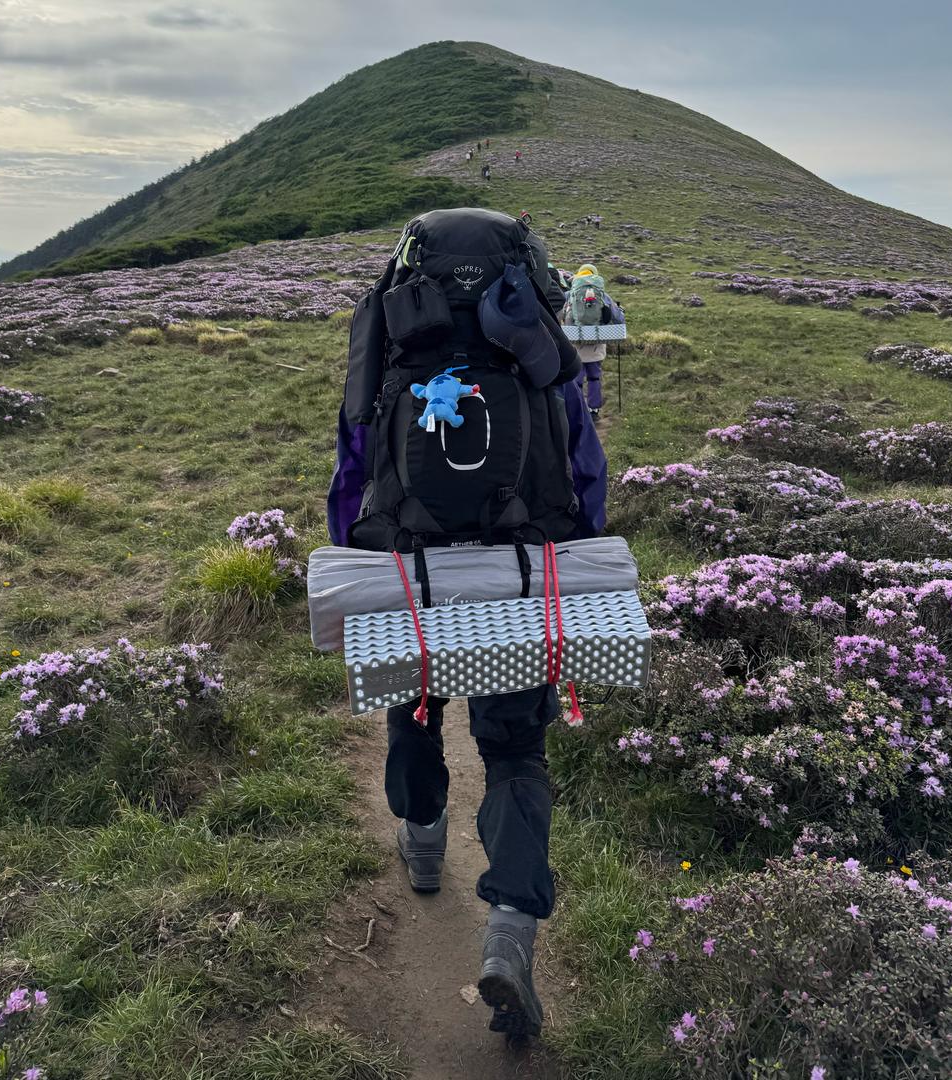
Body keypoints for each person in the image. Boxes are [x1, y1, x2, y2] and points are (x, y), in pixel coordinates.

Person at [328, 208, 608, 1042]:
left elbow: (354, 449)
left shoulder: (395, 333)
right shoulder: (534, 341)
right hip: (520, 568)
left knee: (414, 706)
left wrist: (357, 548)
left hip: (409, 560)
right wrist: (574, 553)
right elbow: (583, 465)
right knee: (516, 749)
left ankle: (420, 844)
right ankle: (510, 930)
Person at [563, 263, 624, 420]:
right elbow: (617, 317)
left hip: (575, 342)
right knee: (594, 377)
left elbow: (561, 314)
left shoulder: (571, 294)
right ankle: (594, 410)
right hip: (596, 343)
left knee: (576, 377)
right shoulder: (602, 294)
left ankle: (576, 409)